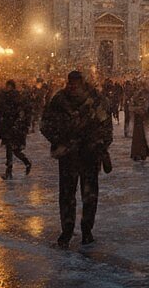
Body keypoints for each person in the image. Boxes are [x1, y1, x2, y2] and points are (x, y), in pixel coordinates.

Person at [41, 70, 113, 247]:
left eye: (76, 83)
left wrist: (100, 144)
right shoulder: (59, 100)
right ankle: (67, 230)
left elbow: (106, 126)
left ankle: (87, 230)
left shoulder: (96, 100)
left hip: (89, 154)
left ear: (83, 83)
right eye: (70, 83)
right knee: (67, 195)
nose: (73, 86)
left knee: (89, 195)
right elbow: (46, 125)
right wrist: (60, 140)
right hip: (69, 154)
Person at [0, 80, 32, 179]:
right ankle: (13, 169)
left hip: (12, 127)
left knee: (12, 149)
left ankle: (14, 169)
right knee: (11, 149)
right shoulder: (11, 97)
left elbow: (4, 112)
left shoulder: (12, 98)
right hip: (11, 127)